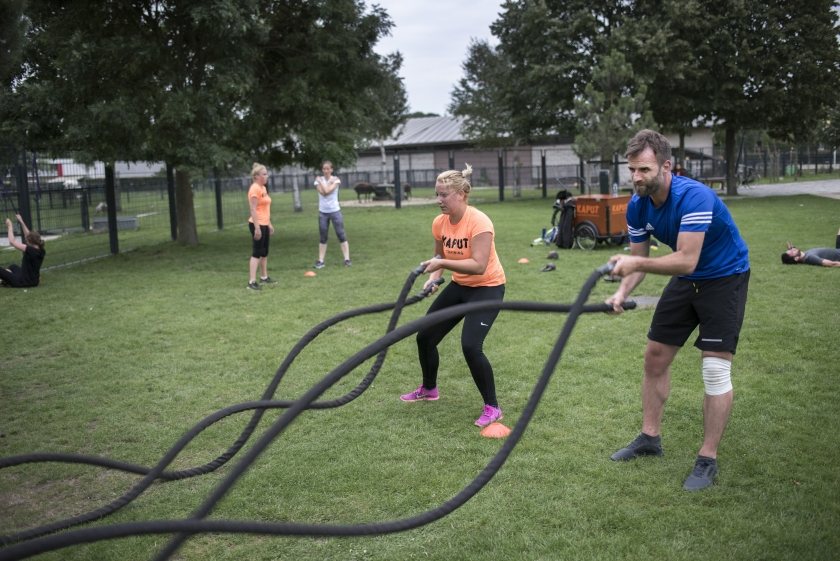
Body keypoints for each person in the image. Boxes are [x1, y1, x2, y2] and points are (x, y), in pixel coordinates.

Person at [606, 129, 750, 491]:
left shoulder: (694, 196)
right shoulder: (637, 203)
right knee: (655, 356)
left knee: (715, 368)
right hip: (687, 280)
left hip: (723, 276)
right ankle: (649, 439)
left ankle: (707, 458)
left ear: (666, 166)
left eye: (644, 170)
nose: (636, 177)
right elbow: (638, 260)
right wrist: (621, 292)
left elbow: (686, 260)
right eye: (632, 170)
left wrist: (631, 265)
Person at [399, 164, 507, 428]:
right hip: (460, 286)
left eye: (444, 195)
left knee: (471, 346)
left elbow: (479, 264)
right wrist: (433, 280)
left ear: (461, 194)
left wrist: (442, 266)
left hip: (488, 287)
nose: (439, 200)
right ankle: (429, 389)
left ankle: (493, 407)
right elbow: (440, 257)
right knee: (425, 337)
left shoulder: (480, 222)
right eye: (437, 194)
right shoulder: (440, 223)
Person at [313, 161, 351, 269]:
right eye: (324, 169)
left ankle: (347, 259)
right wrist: (323, 183)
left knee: (341, 234)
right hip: (323, 212)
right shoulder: (318, 182)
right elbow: (322, 192)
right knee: (323, 236)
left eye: (328, 169)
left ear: (331, 170)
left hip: (335, 211)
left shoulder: (336, 180)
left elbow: (327, 191)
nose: (326, 171)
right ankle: (320, 261)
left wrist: (321, 182)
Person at [246, 163, 276, 291]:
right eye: (264, 174)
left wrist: (269, 224)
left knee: (264, 252)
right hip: (256, 224)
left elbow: (264, 208)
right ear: (256, 176)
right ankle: (251, 282)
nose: (266, 176)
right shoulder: (255, 189)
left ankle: (264, 277)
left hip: (264, 223)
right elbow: (253, 209)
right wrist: (257, 228)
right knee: (257, 253)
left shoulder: (263, 188)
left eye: (266, 173)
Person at [1, 213, 45, 288]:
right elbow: (28, 236)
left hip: (22, 282)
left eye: (27, 240)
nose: (26, 240)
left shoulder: (30, 250)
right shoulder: (41, 250)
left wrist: (9, 226)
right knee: (13, 267)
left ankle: (4, 281)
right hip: (34, 281)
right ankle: (4, 281)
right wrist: (21, 221)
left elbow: (12, 242)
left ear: (30, 241)